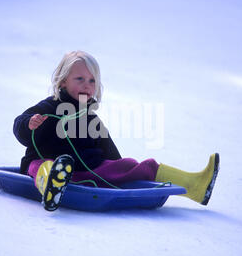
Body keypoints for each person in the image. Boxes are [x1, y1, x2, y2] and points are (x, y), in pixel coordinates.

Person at [13, 51, 219, 211]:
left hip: (85, 172)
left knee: (133, 165)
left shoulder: (91, 119)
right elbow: (19, 124)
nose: (87, 85)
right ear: (63, 80)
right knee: (39, 165)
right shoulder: (50, 107)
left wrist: (122, 172)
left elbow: (109, 150)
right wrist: (30, 124)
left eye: (92, 80)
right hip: (47, 163)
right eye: (80, 79)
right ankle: (50, 186)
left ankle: (195, 186)